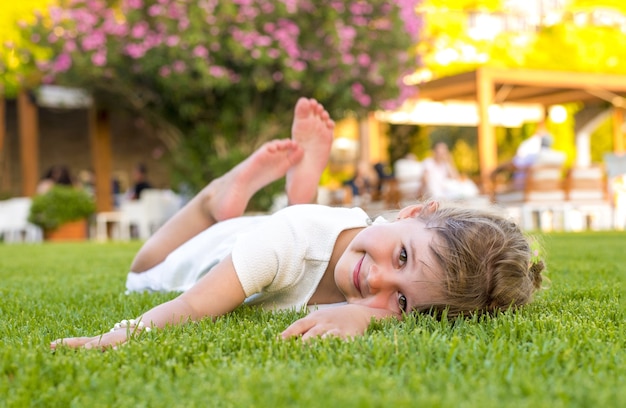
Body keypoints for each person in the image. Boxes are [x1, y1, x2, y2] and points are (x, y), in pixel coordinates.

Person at [51, 98, 545, 350]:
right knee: (141, 269)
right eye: (402, 257)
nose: (375, 280)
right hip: (204, 254)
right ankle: (219, 196)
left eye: (402, 300)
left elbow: (383, 292)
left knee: (296, 240)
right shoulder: (289, 240)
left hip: (279, 237)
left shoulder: (369, 265)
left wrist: (368, 314)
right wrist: (114, 337)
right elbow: (195, 303)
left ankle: (294, 195)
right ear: (416, 211)